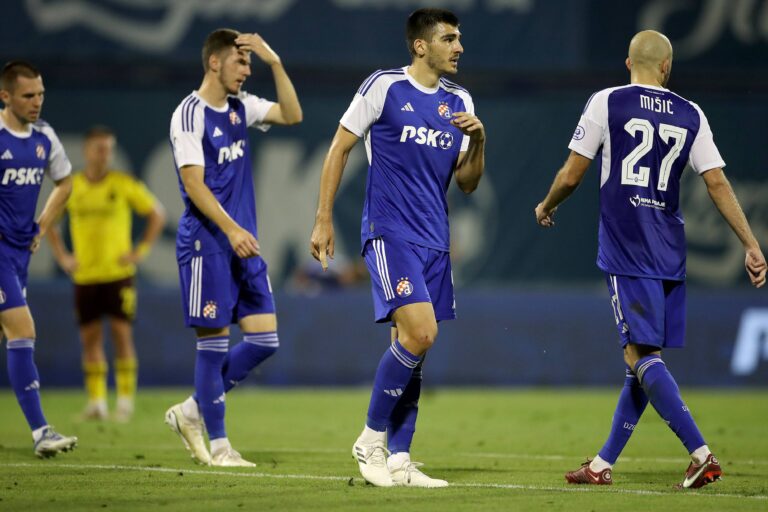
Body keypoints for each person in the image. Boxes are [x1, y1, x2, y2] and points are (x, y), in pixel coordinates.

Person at [535, 30, 766, 489]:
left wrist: (547, 204)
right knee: (642, 357)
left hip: (627, 246)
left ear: (628, 63)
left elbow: (573, 172)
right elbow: (717, 184)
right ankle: (602, 465)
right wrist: (751, 243)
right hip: (669, 250)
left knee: (638, 354)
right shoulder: (691, 113)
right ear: (667, 67)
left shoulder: (607, 101)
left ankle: (701, 454)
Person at [310, 8, 485, 487]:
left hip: (435, 238)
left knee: (413, 346)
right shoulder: (384, 87)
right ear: (420, 46)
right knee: (422, 333)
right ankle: (370, 440)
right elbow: (339, 148)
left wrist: (480, 140)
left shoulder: (460, 99)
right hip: (390, 232)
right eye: (450, 38)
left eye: (460, 38)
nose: (459, 47)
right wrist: (324, 218)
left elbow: (467, 183)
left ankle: (401, 459)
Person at [165, 29, 302, 467]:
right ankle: (221, 447)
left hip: (242, 242)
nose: (247, 70)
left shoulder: (242, 108)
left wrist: (275, 61)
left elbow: (292, 115)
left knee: (264, 339)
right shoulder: (189, 115)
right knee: (214, 346)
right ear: (214, 63)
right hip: (208, 243)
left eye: (249, 63)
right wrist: (230, 230)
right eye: (240, 62)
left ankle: (191, 410)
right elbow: (192, 184)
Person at [47, 125, 166, 422]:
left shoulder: (123, 184)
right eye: (100, 148)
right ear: (86, 151)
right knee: (90, 339)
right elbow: (48, 220)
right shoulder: (71, 186)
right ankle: (97, 403)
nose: (105, 154)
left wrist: (141, 252)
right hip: (85, 276)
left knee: (122, 336)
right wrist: (62, 255)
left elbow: (157, 214)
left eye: (109, 149)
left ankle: (124, 402)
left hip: (118, 274)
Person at [0, 60, 78, 457]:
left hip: (18, 251)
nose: (37, 102)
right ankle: (40, 431)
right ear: (6, 96)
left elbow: (65, 182)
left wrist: (42, 225)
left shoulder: (44, 136)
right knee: (22, 329)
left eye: (41, 94)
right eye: (28, 95)